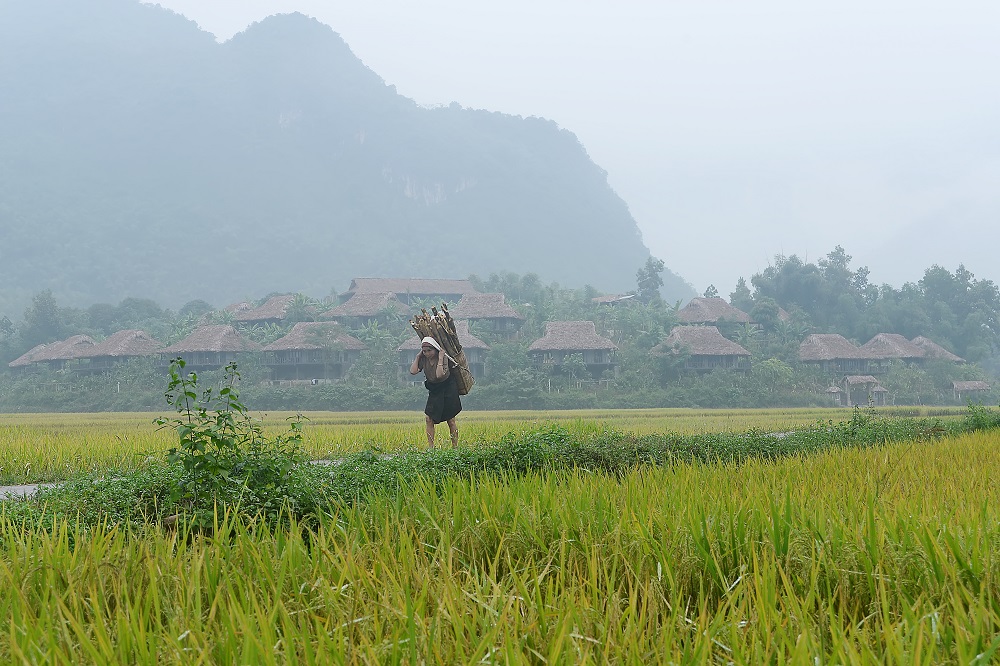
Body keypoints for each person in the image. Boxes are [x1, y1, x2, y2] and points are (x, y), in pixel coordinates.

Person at [409, 336, 461, 448]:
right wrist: (418, 356)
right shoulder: (423, 358)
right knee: (429, 418)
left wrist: (441, 357)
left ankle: (455, 447)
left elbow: (439, 375)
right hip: (434, 389)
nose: (427, 354)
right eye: (425, 351)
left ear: (435, 349)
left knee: (451, 420)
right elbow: (413, 371)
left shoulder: (443, 357)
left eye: (429, 350)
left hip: (448, 388)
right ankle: (431, 447)